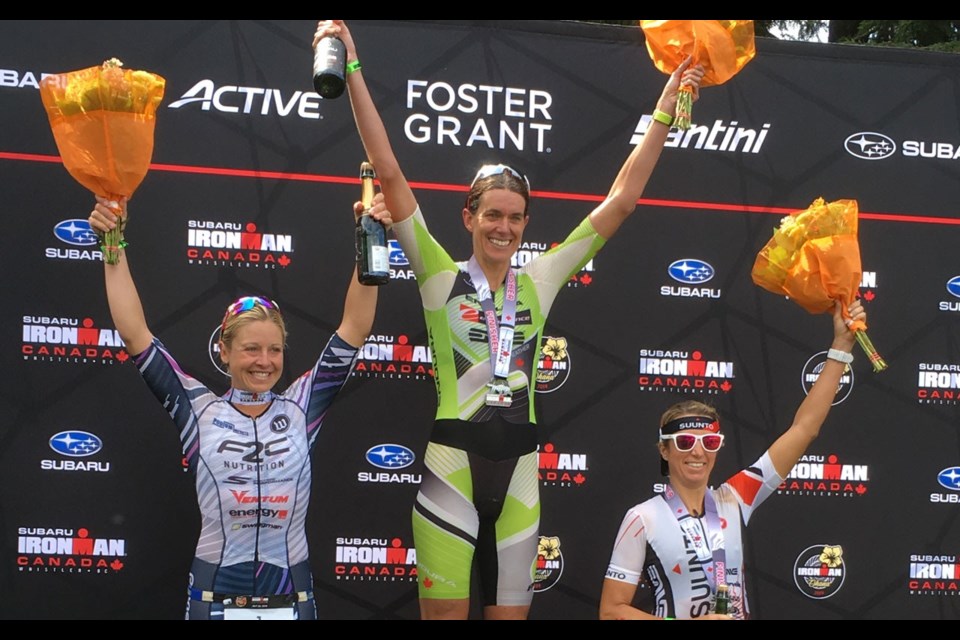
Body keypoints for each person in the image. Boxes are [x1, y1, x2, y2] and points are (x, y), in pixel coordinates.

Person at [314, 19, 705, 620]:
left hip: (520, 473)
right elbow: (388, 171)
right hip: (452, 468)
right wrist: (356, 69)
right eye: (492, 214)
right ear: (468, 215)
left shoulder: (541, 280)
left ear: (526, 224)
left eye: (516, 218)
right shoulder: (441, 276)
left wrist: (663, 110)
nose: (504, 227)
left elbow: (621, 201)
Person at [88, 192, 392, 620]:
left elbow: (354, 327)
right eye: (251, 349)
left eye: (274, 349)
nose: (264, 361)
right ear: (224, 352)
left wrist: (368, 240)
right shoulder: (197, 408)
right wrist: (112, 243)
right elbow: (135, 333)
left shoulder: (302, 406)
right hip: (215, 595)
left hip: (292, 594)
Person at [599, 300, 867, 620]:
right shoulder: (642, 518)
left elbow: (804, 429)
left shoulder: (734, 497)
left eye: (709, 442)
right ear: (664, 450)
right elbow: (611, 611)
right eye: (685, 442)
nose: (698, 452)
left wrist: (841, 345)